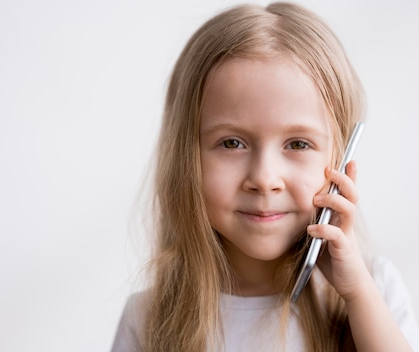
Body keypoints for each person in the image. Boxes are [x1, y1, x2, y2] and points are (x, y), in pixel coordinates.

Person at [111, 2, 419, 351]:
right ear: (186, 158)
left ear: (340, 157)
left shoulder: (373, 291)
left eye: (298, 143)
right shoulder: (148, 318)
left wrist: (357, 295)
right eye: (232, 143)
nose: (264, 178)